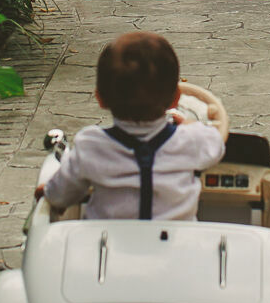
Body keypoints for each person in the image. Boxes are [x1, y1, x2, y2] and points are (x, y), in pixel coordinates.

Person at [36, 33, 227, 222]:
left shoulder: (90, 145)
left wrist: (48, 191)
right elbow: (216, 144)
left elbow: (60, 195)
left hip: (107, 248)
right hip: (175, 248)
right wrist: (183, 121)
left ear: (100, 98)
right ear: (176, 98)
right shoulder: (193, 140)